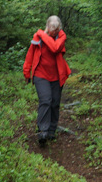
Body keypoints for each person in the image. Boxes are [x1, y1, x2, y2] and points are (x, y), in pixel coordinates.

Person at [22, 16, 71, 146]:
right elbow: (30, 55)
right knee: (45, 100)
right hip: (40, 74)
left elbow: (55, 48)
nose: (52, 32)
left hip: (57, 76)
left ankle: (51, 131)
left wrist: (42, 34)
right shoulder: (38, 37)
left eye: (55, 30)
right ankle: (42, 131)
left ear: (59, 29)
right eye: (50, 29)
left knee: (55, 102)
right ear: (47, 26)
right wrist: (26, 72)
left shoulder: (61, 37)